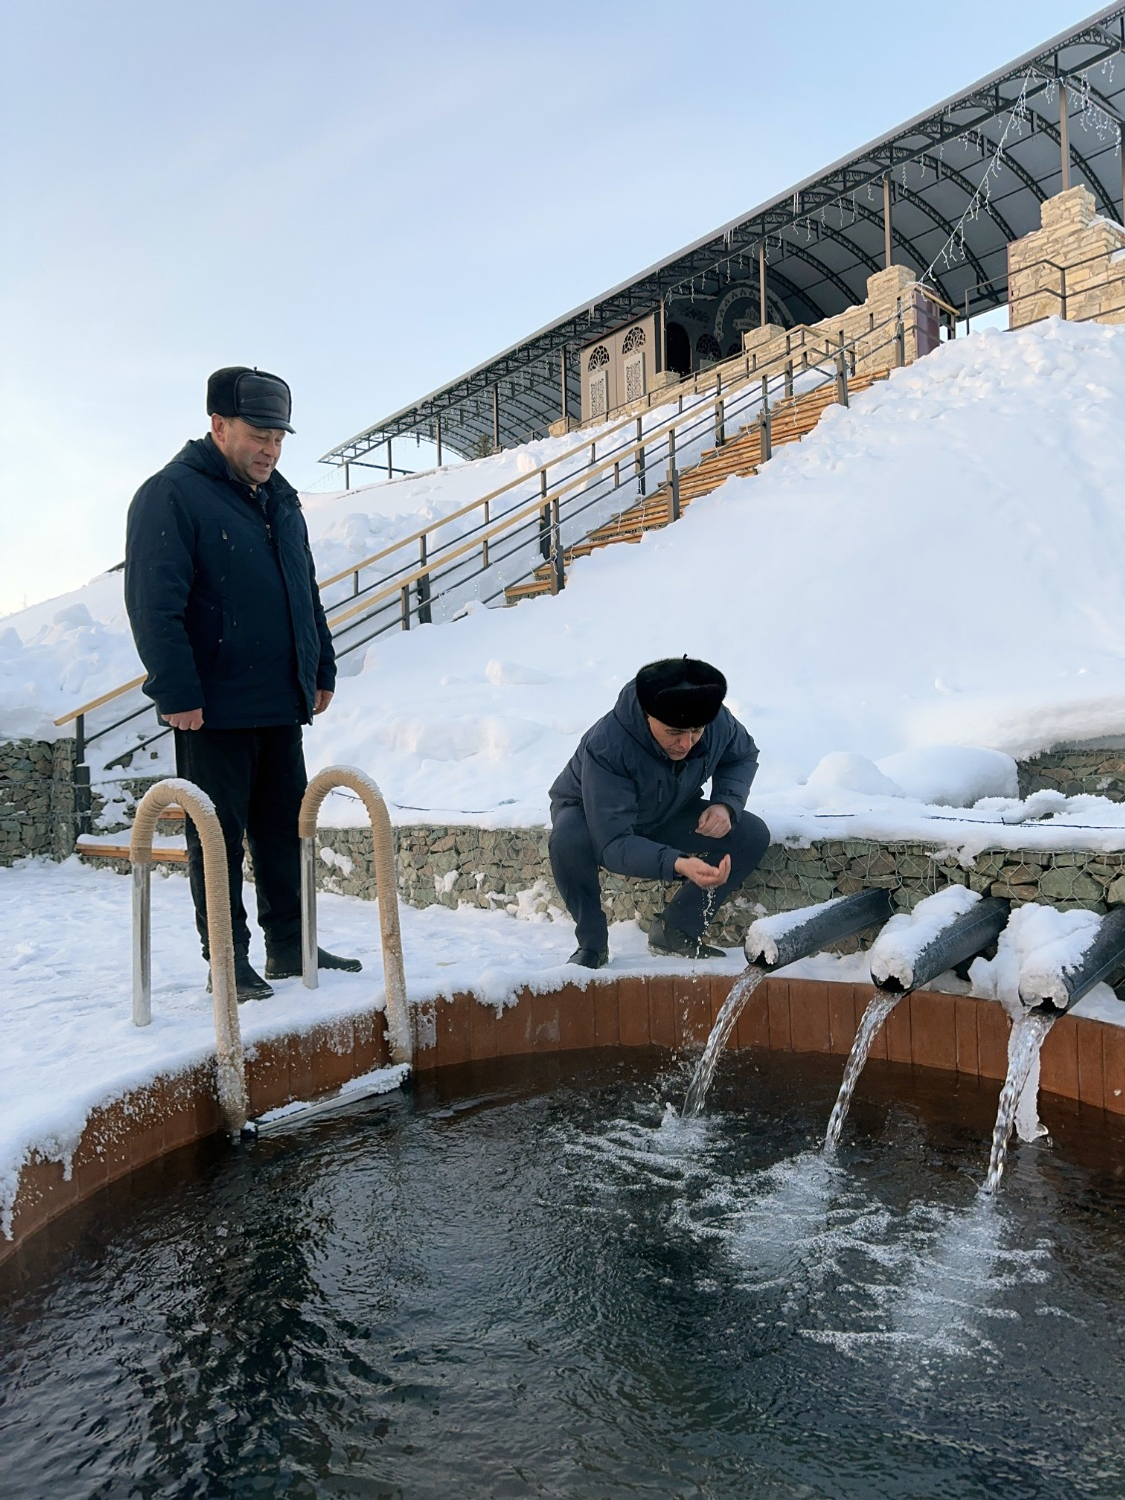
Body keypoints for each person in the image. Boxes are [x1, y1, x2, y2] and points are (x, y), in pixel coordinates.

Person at [124, 366, 360, 1000]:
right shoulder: (171, 493)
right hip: (214, 707)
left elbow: (302, 591)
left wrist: (320, 666)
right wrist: (178, 694)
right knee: (217, 837)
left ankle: (292, 943)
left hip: (279, 700)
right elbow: (154, 603)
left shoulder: (280, 499)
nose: (271, 449)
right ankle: (228, 960)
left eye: (279, 437)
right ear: (218, 426)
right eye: (259, 434)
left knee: (287, 829)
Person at [548, 657, 769, 967]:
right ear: (648, 715)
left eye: (696, 732)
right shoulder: (608, 745)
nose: (686, 744)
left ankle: (675, 930)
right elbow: (612, 843)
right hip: (593, 813)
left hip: (667, 807)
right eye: (675, 732)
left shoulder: (716, 720)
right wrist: (678, 863)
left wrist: (725, 803)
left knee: (751, 833)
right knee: (568, 839)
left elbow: (741, 755)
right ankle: (591, 945)